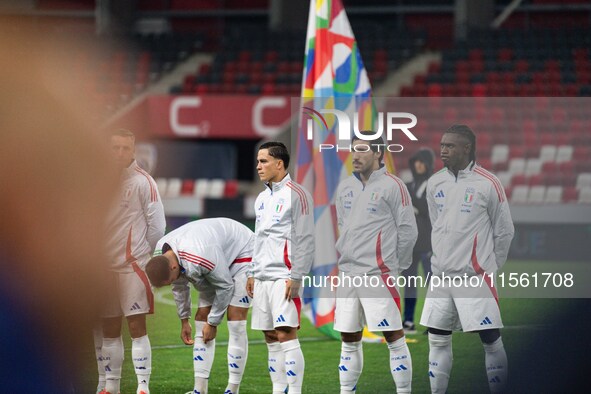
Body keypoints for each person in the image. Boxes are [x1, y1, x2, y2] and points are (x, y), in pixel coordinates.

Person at [420, 124, 514, 393]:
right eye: (442, 145)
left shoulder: (488, 183)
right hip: (440, 277)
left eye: (450, 146)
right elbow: (437, 224)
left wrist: (490, 266)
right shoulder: (435, 182)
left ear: (467, 148)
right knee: (437, 339)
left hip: (473, 277)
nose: (443, 150)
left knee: (490, 339)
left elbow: (504, 230)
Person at [334, 131, 418, 394]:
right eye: (353, 149)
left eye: (361, 150)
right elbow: (341, 226)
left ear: (379, 153)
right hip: (348, 274)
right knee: (348, 338)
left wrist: (396, 266)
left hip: (378, 274)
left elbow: (408, 230)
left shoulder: (393, 186)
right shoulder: (345, 187)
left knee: (393, 336)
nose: (355, 156)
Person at [145, 218, 254, 394]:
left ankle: (233, 389)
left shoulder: (199, 257)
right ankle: (199, 390)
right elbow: (179, 286)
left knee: (235, 320)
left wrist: (213, 323)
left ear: (173, 267)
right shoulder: (161, 254)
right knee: (201, 318)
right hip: (214, 258)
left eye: (171, 279)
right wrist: (184, 320)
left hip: (242, 251)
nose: (172, 282)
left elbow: (225, 286)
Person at [97, 129, 166, 394]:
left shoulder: (143, 182)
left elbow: (157, 227)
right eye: (115, 148)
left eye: (125, 148)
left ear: (133, 150)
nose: (119, 153)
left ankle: (142, 387)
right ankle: (110, 388)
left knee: (136, 327)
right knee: (109, 329)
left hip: (132, 267)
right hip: (104, 269)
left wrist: (141, 255)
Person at [246, 141, 314, 394]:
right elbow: (258, 237)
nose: (258, 166)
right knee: (270, 337)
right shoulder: (262, 198)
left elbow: (307, 238)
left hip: (284, 276)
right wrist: (252, 272)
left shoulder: (298, 194)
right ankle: (279, 390)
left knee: (285, 334)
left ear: (279, 163)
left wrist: (297, 276)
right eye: (258, 161)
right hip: (262, 278)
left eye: (263, 161)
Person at [402, 148, 435, 334]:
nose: (418, 165)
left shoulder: (434, 185)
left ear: (428, 164)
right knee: (409, 283)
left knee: (433, 284)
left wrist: (410, 199)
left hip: (428, 243)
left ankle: (435, 321)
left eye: (422, 161)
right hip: (410, 243)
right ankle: (408, 320)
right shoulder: (410, 185)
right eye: (416, 161)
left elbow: (426, 208)